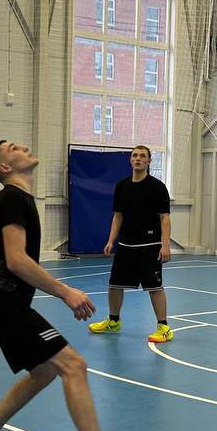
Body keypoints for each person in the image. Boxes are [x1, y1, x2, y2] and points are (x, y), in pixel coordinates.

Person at [0, 138, 151, 431]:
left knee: (45, 370)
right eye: (13, 149)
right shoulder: (11, 199)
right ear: (4, 167)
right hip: (3, 306)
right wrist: (65, 291)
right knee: (73, 366)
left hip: (3, 305)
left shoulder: (21, 199)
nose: (22, 147)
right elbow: (17, 261)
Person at [87, 145, 174, 343]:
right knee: (114, 285)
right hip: (125, 246)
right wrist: (111, 240)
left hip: (150, 246)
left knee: (155, 287)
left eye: (142, 156)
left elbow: (165, 218)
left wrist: (165, 245)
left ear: (149, 161)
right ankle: (113, 321)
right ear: (130, 160)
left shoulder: (157, 187)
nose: (138, 159)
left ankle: (164, 327)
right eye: (135, 155)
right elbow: (118, 216)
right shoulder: (122, 186)